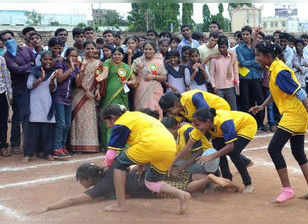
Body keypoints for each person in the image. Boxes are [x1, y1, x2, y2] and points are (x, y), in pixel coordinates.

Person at [249, 41, 308, 203]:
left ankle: (287, 189)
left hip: (295, 114)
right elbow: (276, 92)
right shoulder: (274, 68)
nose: (256, 59)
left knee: (273, 148)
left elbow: (301, 94)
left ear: (268, 56)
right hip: (295, 114)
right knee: (298, 152)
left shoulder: (280, 71)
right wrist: (262, 106)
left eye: (258, 55)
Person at [29, 161, 240, 215]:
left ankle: (209, 179)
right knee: (186, 179)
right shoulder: (112, 169)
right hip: (151, 171)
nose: (81, 185)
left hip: (150, 186)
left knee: (188, 187)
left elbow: (75, 200)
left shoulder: (102, 185)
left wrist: (49, 208)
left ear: (88, 179)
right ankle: (211, 181)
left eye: (81, 180)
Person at [100, 105, 191, 213]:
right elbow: (143, 140)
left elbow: (111, 153)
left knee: (118, 164)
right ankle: (181, 194)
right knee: (152, 182)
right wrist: (140, 165)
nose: (107, 125)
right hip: (169, 147)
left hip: (151, 145)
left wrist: (108, 166)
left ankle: (121, 205)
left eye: (106, 121)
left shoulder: (121, 123)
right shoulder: (137, 116)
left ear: (112, 118)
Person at [190, 108, 257, 193]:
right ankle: (227, 181)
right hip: (226, 129)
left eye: (197, 125)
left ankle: (248, 184)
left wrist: (210, 156)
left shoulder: (224, 122)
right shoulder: (207, 124)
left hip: (246, 125)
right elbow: (190, 143)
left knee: (234, 153)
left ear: (207, 121)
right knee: (219, 151)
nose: (196, 127)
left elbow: (230, 146)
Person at [1, 30, 35, 154]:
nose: (8, 41)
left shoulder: (26, 50)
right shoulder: (6, 57)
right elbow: (17, 70)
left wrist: (28, 66)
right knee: (18, 117)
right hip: (18, 89)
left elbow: (35, 62)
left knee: (31, 116)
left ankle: (30, 143)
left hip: (32, 87)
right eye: (5, 40)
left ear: (14, 38)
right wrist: (29, 66)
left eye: (10, 38)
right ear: (2, 43)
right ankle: (15, 143)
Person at [24, 51, 60, 162]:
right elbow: (29, 86)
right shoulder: (33, 71)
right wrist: (40, 79)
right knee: (33, 130)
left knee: (47, 130)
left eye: (50, 59)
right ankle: (29, 154)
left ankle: (48, 153)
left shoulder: (54, 72)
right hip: (35, 102)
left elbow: (53, 89)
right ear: (41, 60)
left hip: (47, 102)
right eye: (45, 59)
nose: (48, 61)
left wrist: (52, 81)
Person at [96, 47, 133, 151]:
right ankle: (108, 144)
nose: (117, 56)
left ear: (123, 55)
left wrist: (128, 82)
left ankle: (121, 145)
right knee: (108, 118)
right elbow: (105, 73)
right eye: (115, 54)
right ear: (112, 55)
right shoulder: (108, 62)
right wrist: (100, 77)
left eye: (119, 54)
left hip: (122, 97)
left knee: (122, 119)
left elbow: (135, 81)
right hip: (109, 95)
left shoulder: (126, 67)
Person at [70, 41, 102, 152]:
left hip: (91, 94)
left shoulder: (99, 63)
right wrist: (85, 90)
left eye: (92, 48)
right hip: (79, 93)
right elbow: (77, 80)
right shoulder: (80, 61)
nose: (90, 51)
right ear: (84, 50)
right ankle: (76, 145)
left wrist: (97, 90)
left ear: (96, 49)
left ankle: (90, 145)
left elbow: (99, 78)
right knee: (78, 119)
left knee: (89, 118)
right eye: (88, 48)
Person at [235, 26, 265, 129]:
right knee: (246, 102)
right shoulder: (239, 48)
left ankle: (260, 123)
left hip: (256, 77)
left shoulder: (256, 47)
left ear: (250, 34)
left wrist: (253, 63)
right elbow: (242, 63)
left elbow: (260, 63)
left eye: (247, 34)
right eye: (243, 34)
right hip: (244, 78)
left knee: (260, 100)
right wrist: (254, 62)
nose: (245, 36)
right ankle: (249, 124)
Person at [53, 47, 80, 157]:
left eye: (75, 56)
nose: (73, 58)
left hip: (69, 99)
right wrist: (71, 69)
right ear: (67, 56)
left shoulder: (76, 67)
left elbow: (77, 84)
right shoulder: (61, 64)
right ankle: (57, 147)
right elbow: (59, 79)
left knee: (67, 124)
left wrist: (80, 72)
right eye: (71, 56)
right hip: (59, 97)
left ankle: (63, 146)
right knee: (61, 123)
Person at [131, 41, 166, 116]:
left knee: (155, 112)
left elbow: (164, 78)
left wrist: (153, 77)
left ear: (154, 50)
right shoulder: (138, 61)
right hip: (140, 91)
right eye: (146, 49)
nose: (148, 51)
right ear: (143, 50)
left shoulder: (159, 61)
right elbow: (131, 75)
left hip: (155, 91)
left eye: (150, 49)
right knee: (142, 112)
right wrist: (138, 70)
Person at [209, 35, 239, 110]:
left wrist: (237, 85)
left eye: (223, 47)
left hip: (230, 87)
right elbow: (212, 74)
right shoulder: (214, 59)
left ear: (227, 47)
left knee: (233, 109)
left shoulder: (232, 57)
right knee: (220, 109)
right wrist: (213, 86)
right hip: (218, 88)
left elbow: (236, 72)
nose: (222, 49)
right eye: (220, 47)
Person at [0, 55, 12, 156]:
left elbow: (5, 77)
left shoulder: (1, 59)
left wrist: (9, 94)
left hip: (1, 93)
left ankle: (3, 146)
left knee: (3, 122)